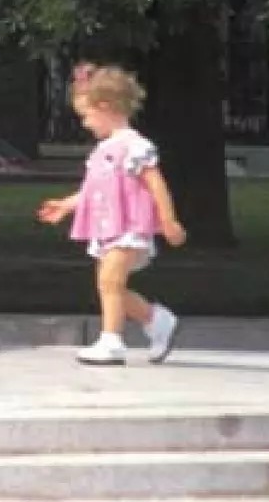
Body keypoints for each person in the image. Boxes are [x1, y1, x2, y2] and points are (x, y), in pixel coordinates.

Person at [37, 63, 187, 365]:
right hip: (108, 228)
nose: (85, 124)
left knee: (109, 280)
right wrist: (67, 205)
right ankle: (156, 321)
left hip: (130, 227)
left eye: (86, 115)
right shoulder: (104, 149)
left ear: (104, 107)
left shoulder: (134, 146)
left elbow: (156, 183)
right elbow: (95, 190)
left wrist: (169, 221)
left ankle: (111, 341)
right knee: (110, 284)